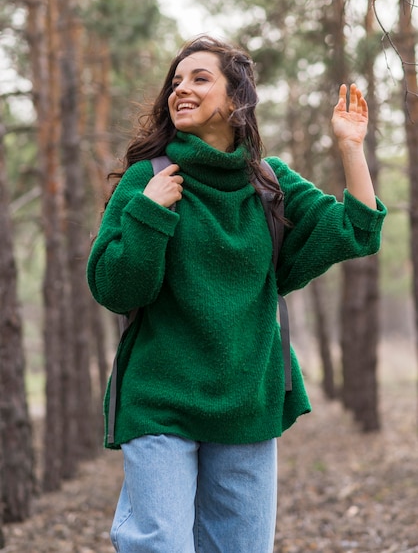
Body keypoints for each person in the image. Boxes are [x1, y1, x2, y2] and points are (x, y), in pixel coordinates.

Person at [87, 35, 386, 553]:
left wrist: (350, 148)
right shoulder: (148, 180)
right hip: (160, 399)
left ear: (236, 100)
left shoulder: (270, 184)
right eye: (175, 82)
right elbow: (116, 289)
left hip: (246, 399)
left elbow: (357, 228)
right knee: (159, 543)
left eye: (200, 79)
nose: (181, 89)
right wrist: (150, 215)